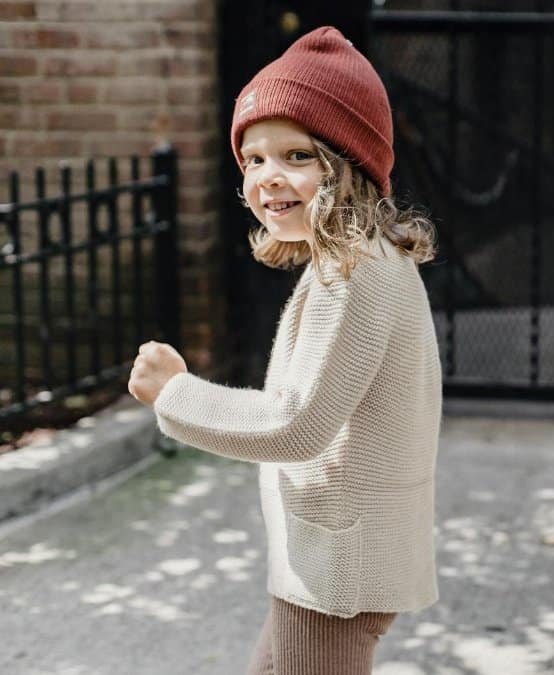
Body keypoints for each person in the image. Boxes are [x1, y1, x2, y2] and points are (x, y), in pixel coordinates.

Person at [126, 26, 441, 674]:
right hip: (331, 560)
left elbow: (296, 423)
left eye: (298, 155)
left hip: (337, 575)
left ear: (349, 163)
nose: (270, 177)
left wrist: (176, 393)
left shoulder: (351, 273)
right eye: (255, 158)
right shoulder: (358, 260)